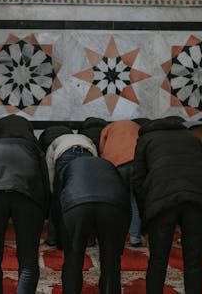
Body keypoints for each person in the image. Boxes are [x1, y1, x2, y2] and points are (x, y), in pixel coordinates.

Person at [132, 117, 202, 294]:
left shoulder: (145, 139)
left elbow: (137, 179)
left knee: (158, 260)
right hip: (197, 198)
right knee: (194, 260)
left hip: (162, 200)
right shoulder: (192, 137)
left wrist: (146, 216)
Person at [0, 114, 50, 294]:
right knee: (28, 259)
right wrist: (43, 214)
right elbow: (46, 185)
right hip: (29, 197)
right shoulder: (34, 149)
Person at [57, 156, 130, 294]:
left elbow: (57, 202)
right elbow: (124, 196)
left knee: (73, 259)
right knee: (111, 262)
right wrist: (119, 244)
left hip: (76, 204)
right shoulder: (109, 165)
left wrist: (58, 238)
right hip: (112, 205)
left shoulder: (67, 167)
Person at [42, 126, 97, 247]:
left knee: (58, 201)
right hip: (87, 155)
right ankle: (89, 240)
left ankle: (53, 238)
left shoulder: (55, 142)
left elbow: (50, 169)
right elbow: (95, 156)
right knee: (88, 198)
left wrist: (54, 191)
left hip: (64, 155)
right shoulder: (85, 138)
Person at [99, 119, 143, 247]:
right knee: (135, 200)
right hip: (136, 162)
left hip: (116, 163)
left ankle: (115, 236)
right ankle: (135, 237)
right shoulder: (137, 126)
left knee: (116, 201)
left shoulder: (109, 127)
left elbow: (102, 147)